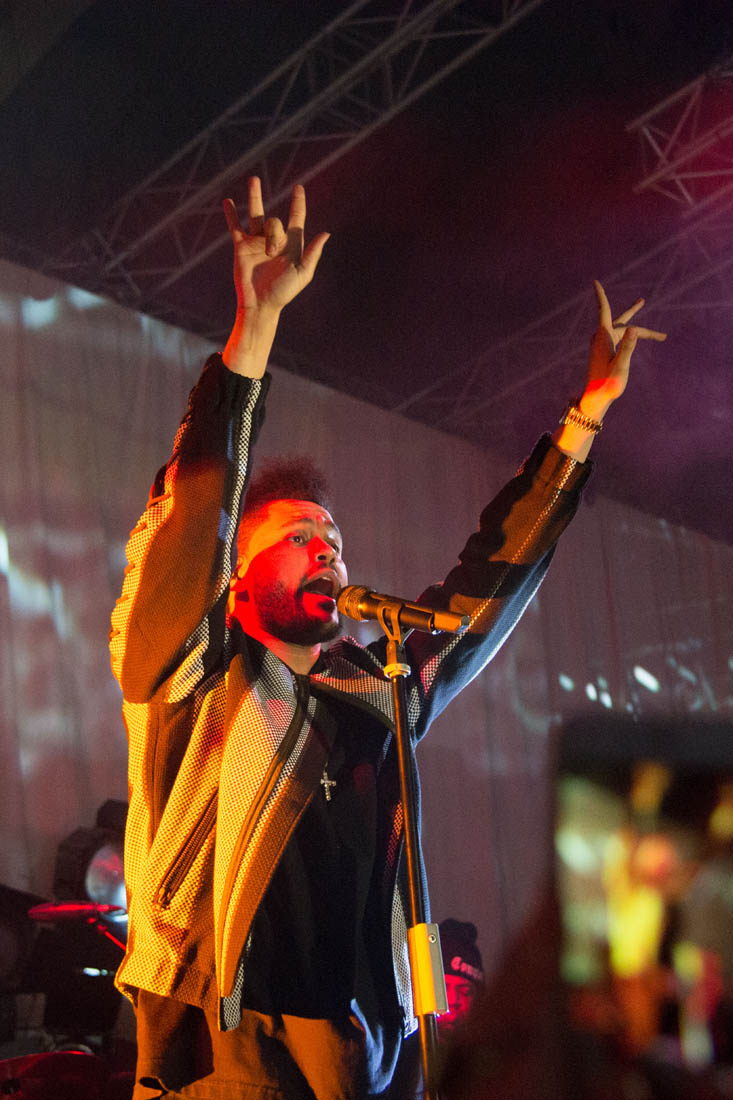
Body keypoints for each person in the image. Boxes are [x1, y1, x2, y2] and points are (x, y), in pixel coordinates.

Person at [109, 177, 665, 1099]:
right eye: (298, 536)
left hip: (364, 1040)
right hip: (224, 1035)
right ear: (235, 581)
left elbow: (483, 591)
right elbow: (194, 519)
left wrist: (584, 421)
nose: (326, 549)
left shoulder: (378, 685)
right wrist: (253, 332)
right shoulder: (193, 674)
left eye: (333, 538)